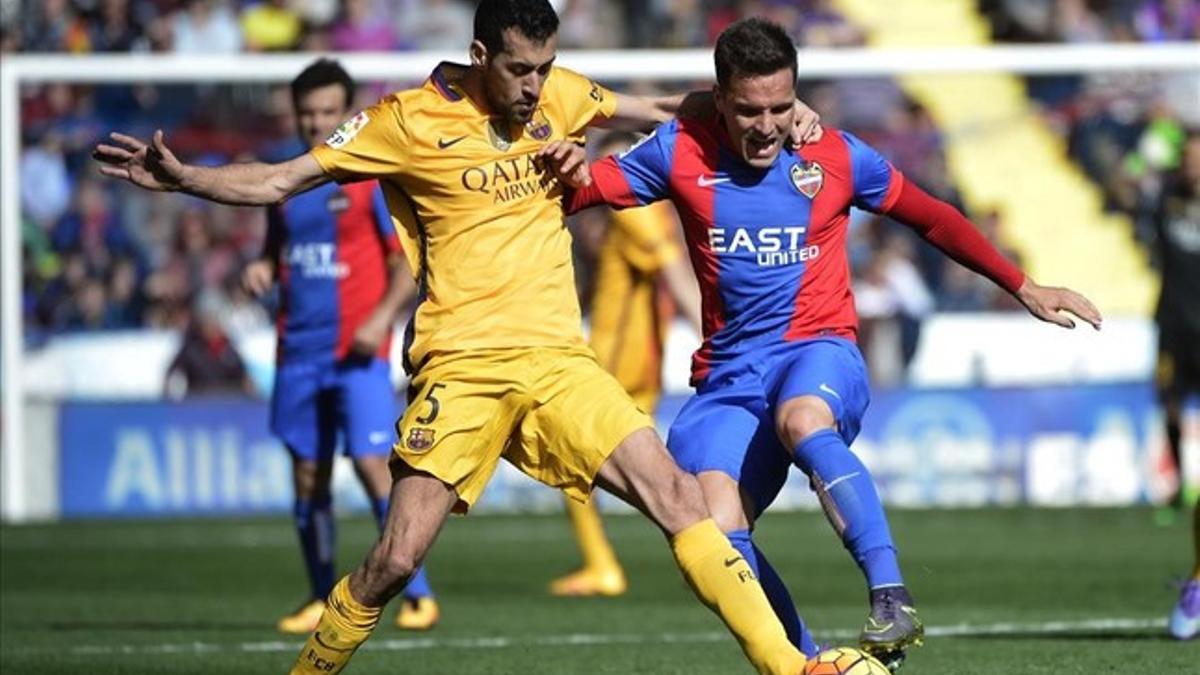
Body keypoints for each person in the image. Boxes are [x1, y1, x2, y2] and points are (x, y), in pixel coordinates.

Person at [93, 2, 823, 673]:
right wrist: (189, 179)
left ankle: (792, 667)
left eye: (544, 66)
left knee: (679, 497)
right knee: (396, 558)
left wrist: (779, 115)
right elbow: (281, 181)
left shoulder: (563, 93)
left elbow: (671, 107)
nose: (536, 86)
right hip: (462, 366)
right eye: (518, 70)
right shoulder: (404, 122)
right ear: (479, 55)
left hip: (559, 363)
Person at [560, 17, 1102, 669]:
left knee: (803, 416)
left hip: (818, 352)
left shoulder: (835, 156)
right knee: (708, 530)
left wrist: (1023, 284)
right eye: (749, 110)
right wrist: (560, 162)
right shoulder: (678, 151)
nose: (766, 126)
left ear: (798, 96)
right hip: (729, 379)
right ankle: (811, 662)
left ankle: (890, 595)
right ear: (719, 100)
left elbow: (931, 216)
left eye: (781, 107)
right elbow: (577, 193)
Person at [238, 58, 435, 635]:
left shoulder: (370, 179)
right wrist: (258, 268)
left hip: (358, 354)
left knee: (376, 465)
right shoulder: (287, 182)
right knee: (307, 475)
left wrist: (380, 320)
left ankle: (419, 594)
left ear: (346, 113)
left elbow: (406, 262)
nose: (317, 123)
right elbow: (276, 252)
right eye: (308, 114)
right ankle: (319, 593)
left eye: (328, 112)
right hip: (298, 353)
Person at [550, 131, 702, 597]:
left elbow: (675, 273)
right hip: (642, 361)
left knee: (569, 459)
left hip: (616, 363)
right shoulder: (642, 210)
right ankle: (708, 550)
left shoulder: (638, 208)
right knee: (643, 472)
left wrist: (715, 338)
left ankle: (605, 566)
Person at [1152, 130, 1200, 640]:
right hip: (1174, 325)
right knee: (1169, 406)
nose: (1192, 166)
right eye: (1186, 157)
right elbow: (1124, 185)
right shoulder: (1166, 198)